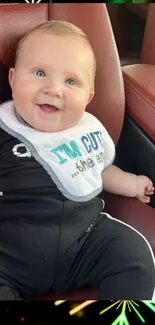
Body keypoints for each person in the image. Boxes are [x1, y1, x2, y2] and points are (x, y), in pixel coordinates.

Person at [0, 20, 154, 300]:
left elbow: (100, 169)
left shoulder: (87, 130)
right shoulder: (4, 126)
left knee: (135, 256)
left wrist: (133, 184)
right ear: (12, 79)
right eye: (39, 73)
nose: (54, 89)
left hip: (84, 241)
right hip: (10, 253)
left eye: (71, 81)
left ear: (88, 96)